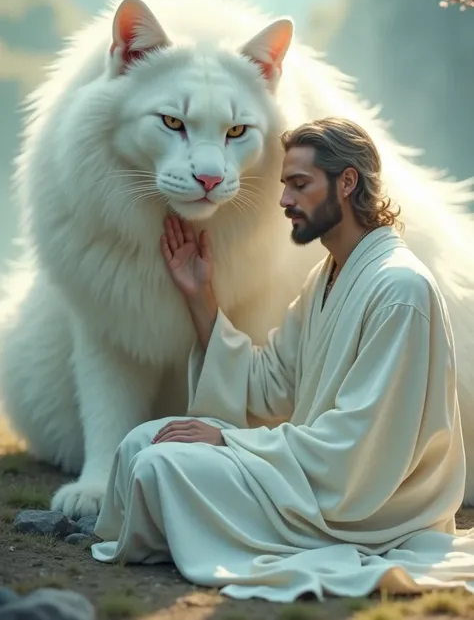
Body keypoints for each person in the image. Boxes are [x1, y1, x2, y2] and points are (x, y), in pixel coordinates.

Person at [91, 117, 474, 602]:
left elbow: (360, 449)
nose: (284, 200)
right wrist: (200, 296)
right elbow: (267, 384)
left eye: (299, 184)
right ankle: (190, 527)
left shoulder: (400, 289)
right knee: (140, 445)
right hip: (315, 475)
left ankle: (193, 529)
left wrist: (229, 440)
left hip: (366, 506)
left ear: (347, 182)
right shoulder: (327, 276)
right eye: (284, 185)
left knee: (159, 467)